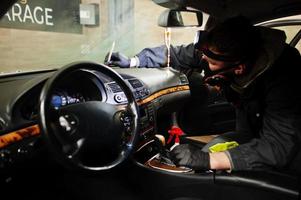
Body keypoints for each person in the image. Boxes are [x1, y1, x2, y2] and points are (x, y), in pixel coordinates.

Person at [105, 16, 301, 173]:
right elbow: (179, 53)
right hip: (251, 132)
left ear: (239, 68)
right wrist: (134, 61)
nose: (204, 62)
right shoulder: (223, 51)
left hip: (290, 151)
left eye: (211, 63)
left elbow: (278, 146)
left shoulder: (285, 78)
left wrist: (209, 160)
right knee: (213, 151)